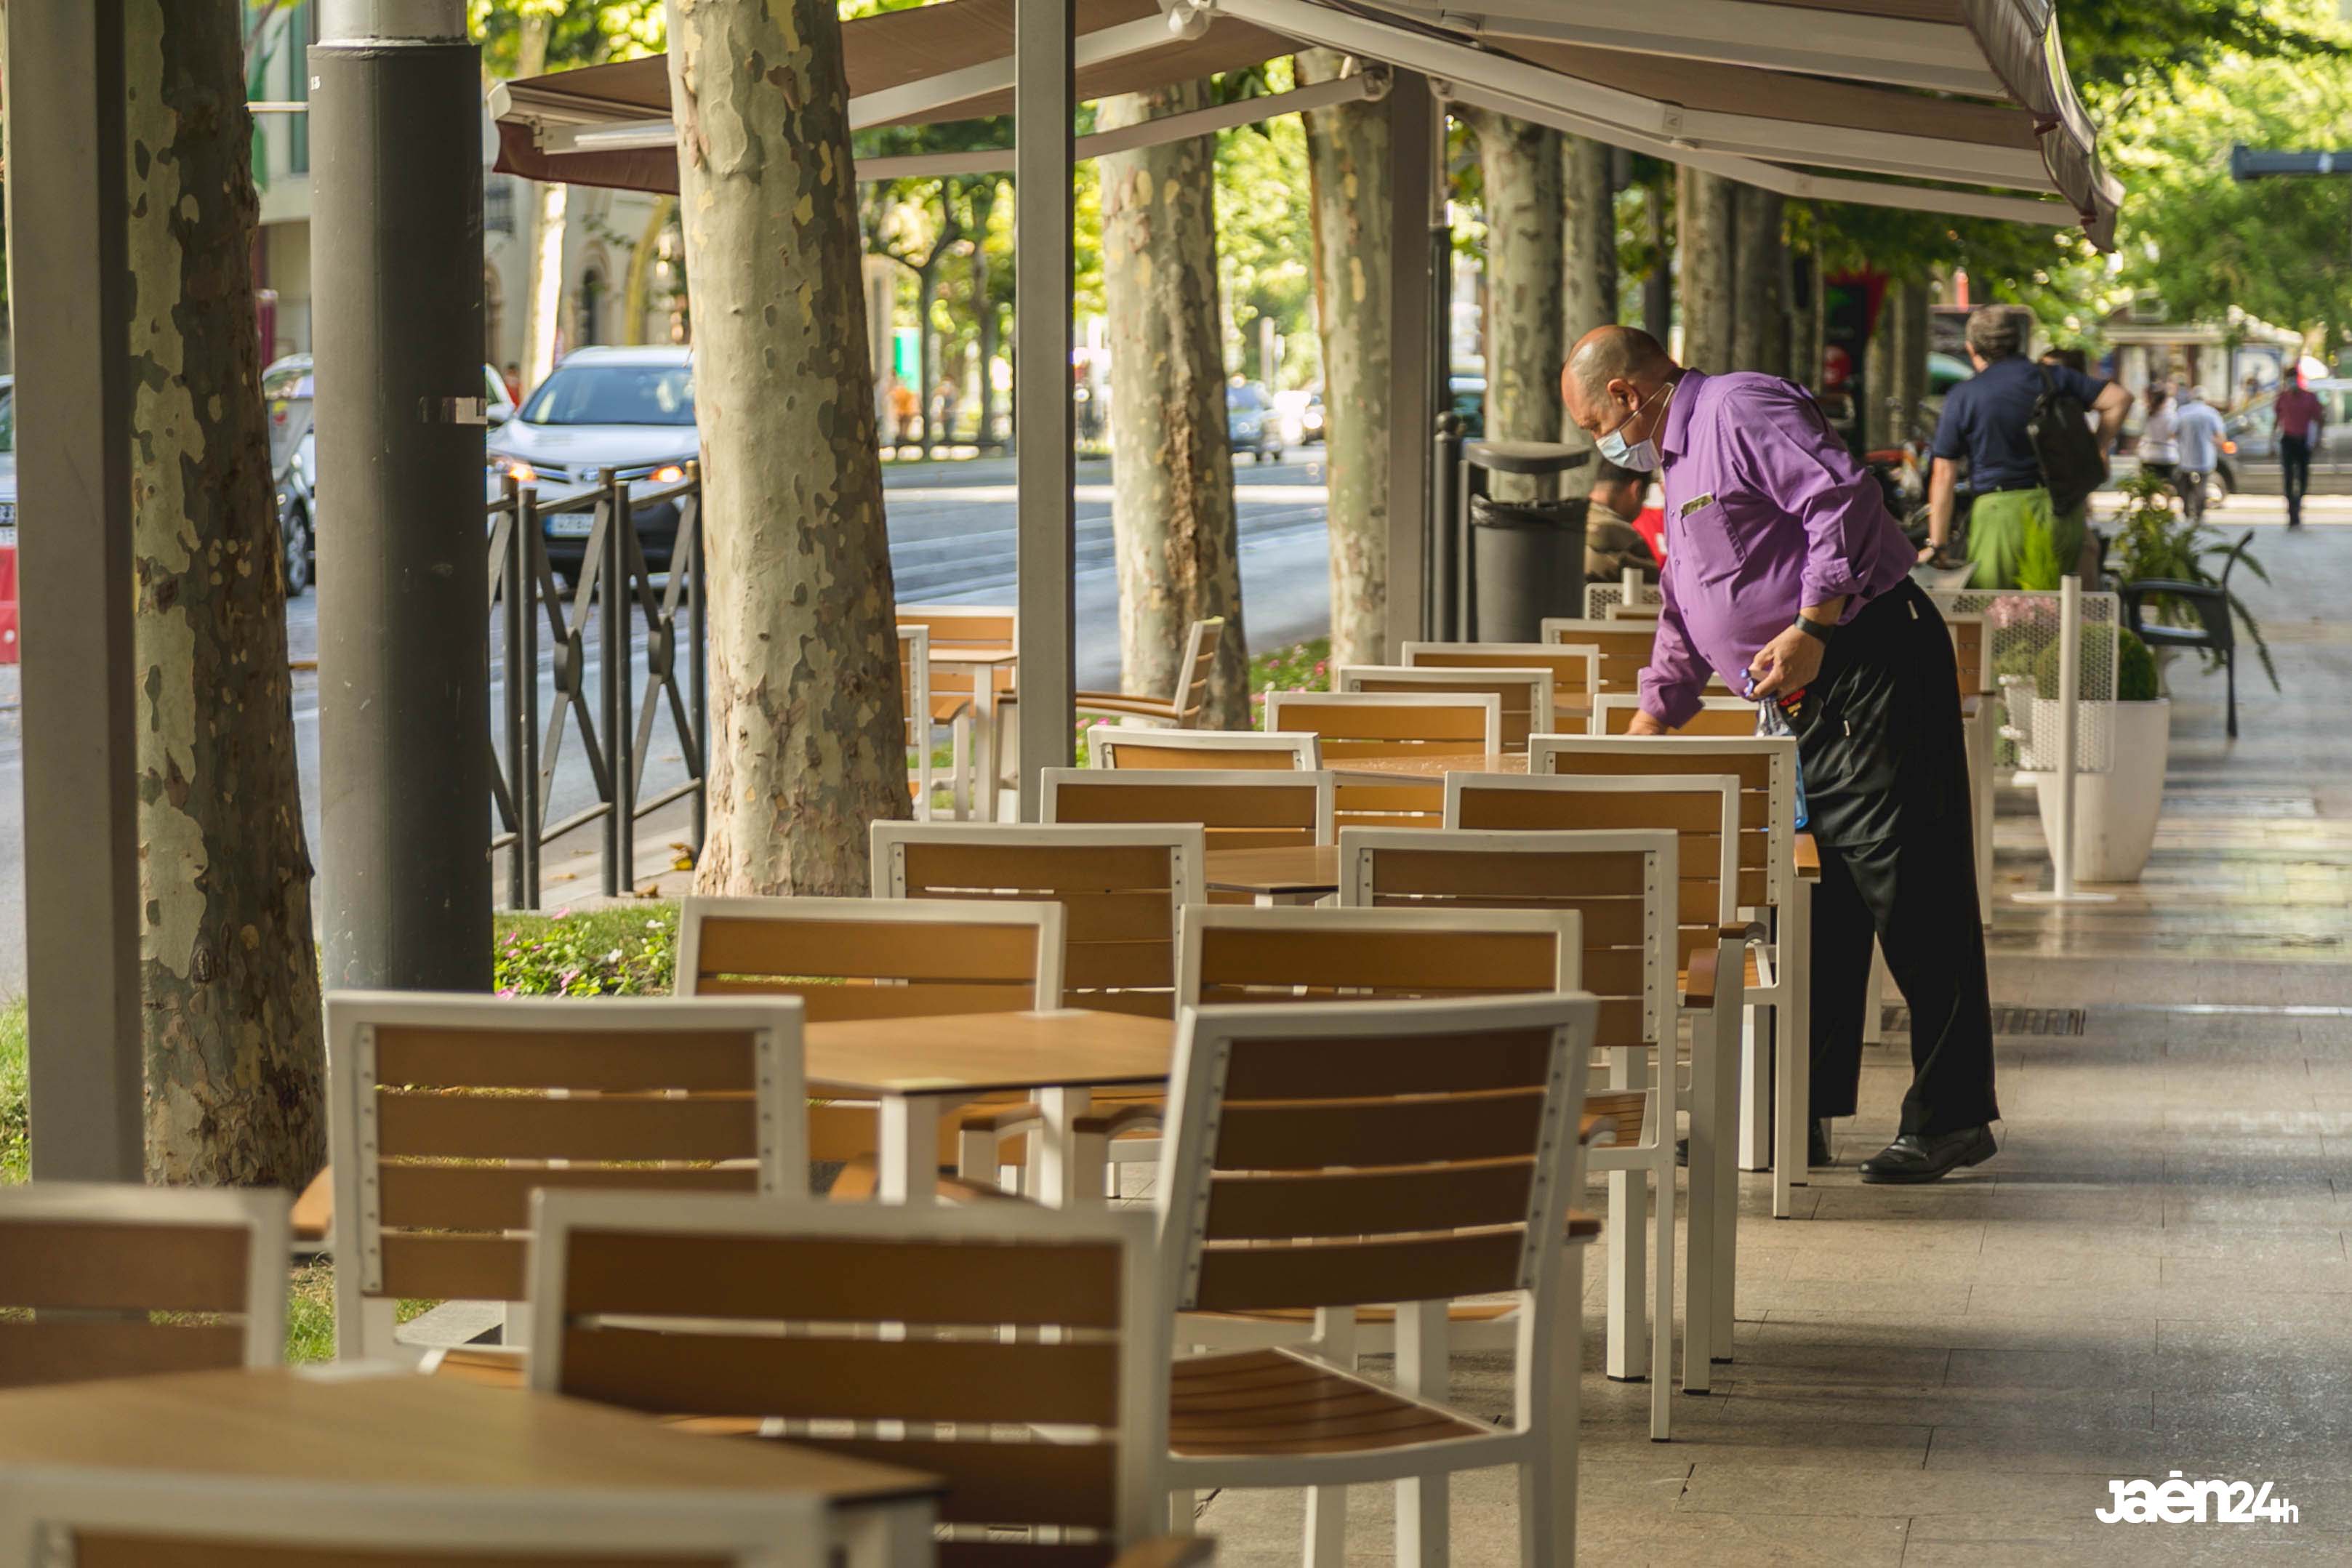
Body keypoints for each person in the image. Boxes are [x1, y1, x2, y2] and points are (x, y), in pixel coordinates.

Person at [1562, 325, 2000, 1183]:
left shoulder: (1737, 407)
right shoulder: (1674, 461)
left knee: (1908, 890)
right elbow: (1690, 602)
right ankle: (1787, 1114)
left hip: (1866, 660)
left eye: (1592, 424)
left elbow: (1841, 500)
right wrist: (1659, 711)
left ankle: (1952, 1117)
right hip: (1803, 700)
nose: (1599, 444)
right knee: (1810, 904)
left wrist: (1811, 625)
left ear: (1623, 394)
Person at [1928, 311, 2127, 587]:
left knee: (1995, 615)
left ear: (1971, 347)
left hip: (2000, 517)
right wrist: (2098, 446)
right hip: (2061, 509)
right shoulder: (2053, 377)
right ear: (2018, 341)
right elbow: (2119, 399)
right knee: (2058, 615)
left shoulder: (1965, 395)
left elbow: (1943, 473)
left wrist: (1938, 544)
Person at [1584, 458, 1666, 582]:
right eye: (1644, 498)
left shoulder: (1567, 520)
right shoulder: (1624, 537)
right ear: (1636, 490)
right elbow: (1658, 590)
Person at [2273, 374, 2324, 528]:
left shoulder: (2309, 397)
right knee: (2288, 476)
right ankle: (2291, 509)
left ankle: (2298, 502)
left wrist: (2318, 440)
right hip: (2288, 440)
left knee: (2303, 477)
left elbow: (2319, 419)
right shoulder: (2283, 397)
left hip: (2303, 441)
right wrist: (2272, 442)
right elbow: (2277, 420)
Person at [2172, 386, 2228, 523]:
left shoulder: (2182, 412)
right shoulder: (2211, 413)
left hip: (2186, 455)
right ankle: (2199, 512)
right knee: (2202, 486)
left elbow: (2173, 433)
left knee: (2184, 484)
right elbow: (2220, 437)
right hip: (2205, 456)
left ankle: (2186, 511)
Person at [2138, 384, 2179, 490]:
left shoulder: (2146, 414)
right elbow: (2173, 435)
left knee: (2149, 489)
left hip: (2148, 455)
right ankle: (2166, 505)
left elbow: (2140, 432)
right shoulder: (2171, 416)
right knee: (2168, 487)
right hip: (2168, 455)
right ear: (2165, 400)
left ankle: (2150, 505)